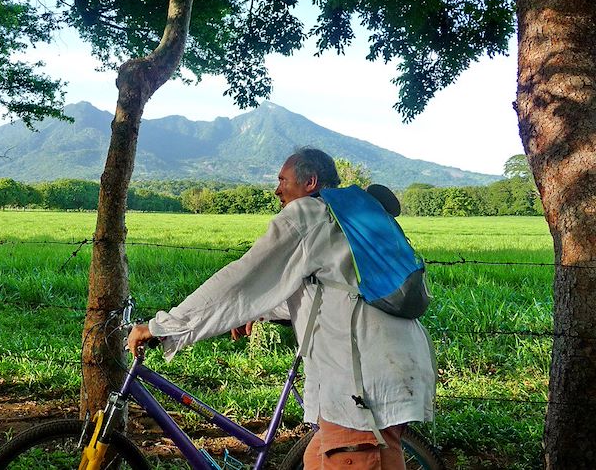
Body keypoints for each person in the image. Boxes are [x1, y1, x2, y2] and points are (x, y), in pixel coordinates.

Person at [128, 147, 435, 470]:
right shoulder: (340, 219)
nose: (277, 190)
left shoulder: (308, 215)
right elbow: (327, 295)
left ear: (310, 182)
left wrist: (163, 326)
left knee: (352, 455)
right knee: (316, 458)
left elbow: (240, 279)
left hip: (360, 388)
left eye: (282, 180)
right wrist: (255, 312)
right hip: (381, 371)